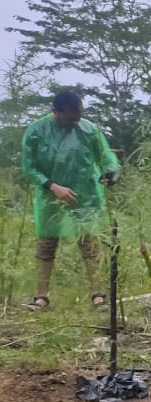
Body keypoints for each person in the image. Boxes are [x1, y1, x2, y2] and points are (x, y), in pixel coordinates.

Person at [21, 90, 120, 310]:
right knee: (46, 246)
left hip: (85, 196)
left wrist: (111, 172)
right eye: (71, 117)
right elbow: (29, 168)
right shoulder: (36, 131)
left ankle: (98, 295)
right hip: (50, 199)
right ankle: (41, 297)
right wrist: (53, 187)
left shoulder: (88, 129)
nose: (76, 120)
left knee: (90, 246)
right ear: (55, 112)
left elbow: (106, 157)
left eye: (79, 115)